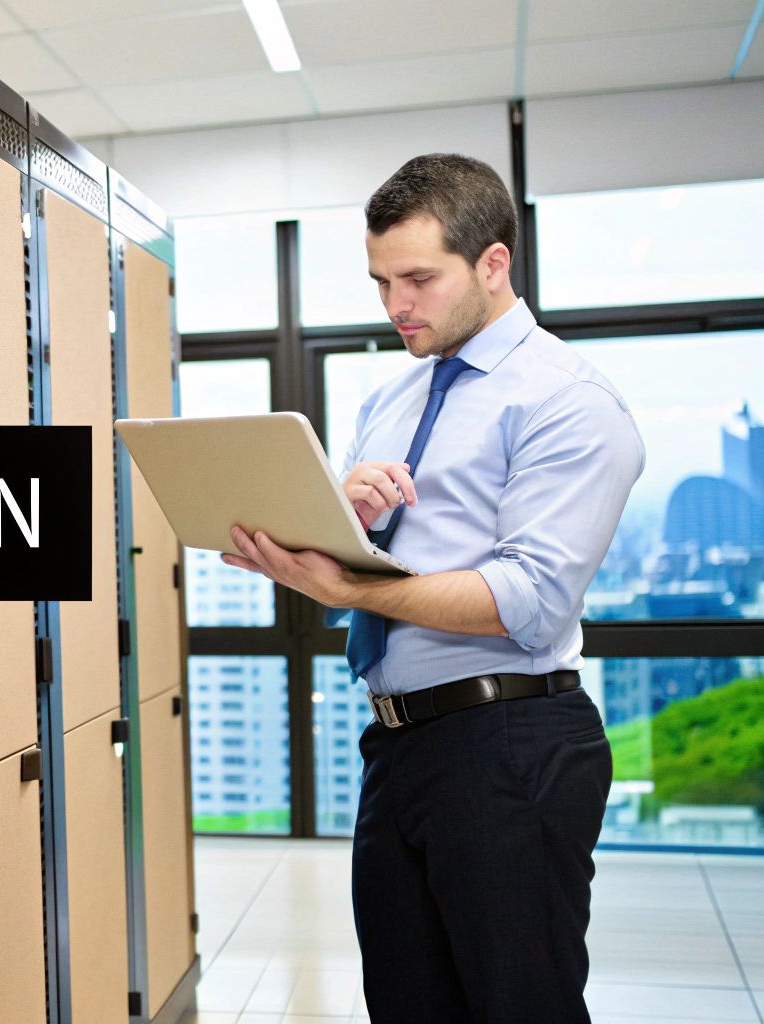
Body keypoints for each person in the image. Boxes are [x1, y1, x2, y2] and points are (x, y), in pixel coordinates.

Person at [218, 153, 644, 1023]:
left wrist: (351, 588)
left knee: (519, 1005)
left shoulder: (569, 401)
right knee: (408, 1005)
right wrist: (337, 521)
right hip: (399, 748)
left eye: (418, 279)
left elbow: (525, 602)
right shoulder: (394, 398)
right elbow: (368, 557)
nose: (395, 306)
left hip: (512, 741)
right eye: (381, 283)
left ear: (494, 263)